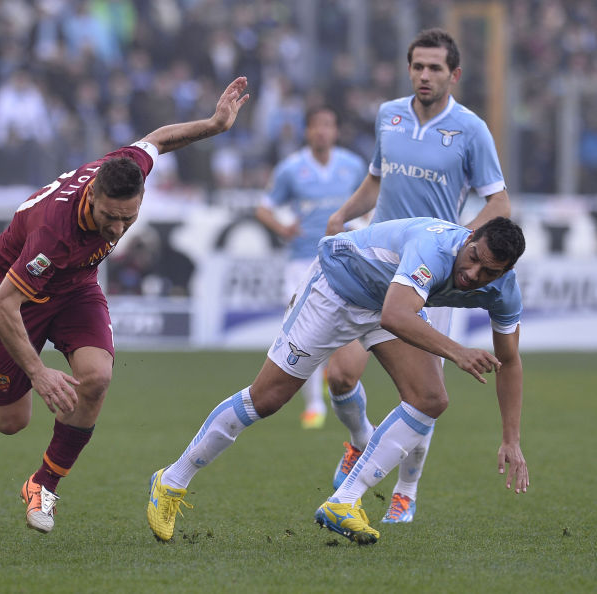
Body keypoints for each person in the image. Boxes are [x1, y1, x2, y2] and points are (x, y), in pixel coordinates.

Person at [0, 77, 250, 534]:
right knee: (10, 419)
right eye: (109, 217)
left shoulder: (125, 170)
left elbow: (157, 140)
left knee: (96, 377)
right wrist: (38, 372)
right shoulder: (54, 234)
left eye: (128, 218)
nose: (116, 229)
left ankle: (43, 485)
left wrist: (215, 125)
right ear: (91, 195)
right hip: (15, 291)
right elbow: (2, 306)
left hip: (74, 285)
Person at [147, 216, 529, 544]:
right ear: (469, 237)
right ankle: (172, 479)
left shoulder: (503, 291)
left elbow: (509, 362)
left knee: (430, 398)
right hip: (337, 286)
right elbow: (397, 316)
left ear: (505, 273)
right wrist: (458, 351)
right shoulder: (434, 247)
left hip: (386, 302)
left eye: (489, 272)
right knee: (267, 399)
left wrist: (511, 439)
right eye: (473, 258)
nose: (472, 274)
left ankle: (343, 501)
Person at [322, 28, 511, 523]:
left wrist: (460, 244)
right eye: (418, 67)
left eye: (435, 68)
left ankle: (406, 488)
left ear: (455, 74)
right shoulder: (389, 115)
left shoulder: (471, 129)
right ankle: (362, 440)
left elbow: (500, 202)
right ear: (409, 69)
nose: (425, 76)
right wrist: (343, 215)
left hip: (432, 277)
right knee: (340, 374)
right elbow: (376, 180)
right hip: (375, 265)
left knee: (423, 396)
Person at [254, 105, 367, 429]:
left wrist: (368, 227)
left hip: (346, 258)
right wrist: (282, 229)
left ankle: (341, 387)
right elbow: (264, 208)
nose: (322, 131)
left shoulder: (352, 165)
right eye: (316, 126)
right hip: (303, 259)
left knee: (346, 326)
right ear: (307, 131)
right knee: (305, 333)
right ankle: (315, 404)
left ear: (335, 131)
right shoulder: (291, 169)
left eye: (328, 125)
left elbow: (371, 199)